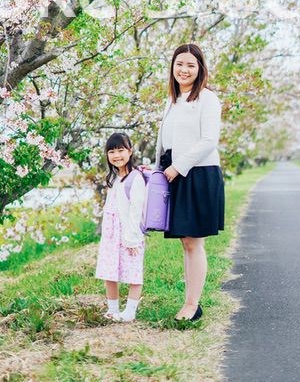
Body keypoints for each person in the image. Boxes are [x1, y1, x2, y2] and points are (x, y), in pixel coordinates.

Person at [154, 42, 225, 322]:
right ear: (172, 67)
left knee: (194, 243)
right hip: (175, 171)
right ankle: (190, 302)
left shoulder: (207, 99)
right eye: (179, 64)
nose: (184, 70)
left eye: (190, 65)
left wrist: (177, 168)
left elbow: (209, 141)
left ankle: (192, 305)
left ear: (200, 69)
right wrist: (159, 166)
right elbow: (168, 141)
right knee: (186, 242)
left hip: (198, 173)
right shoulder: (172, 100)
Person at [95, 132, 146, 322]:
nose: (116, 155)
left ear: (130, 151)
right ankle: (113, 310)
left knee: (133, 272)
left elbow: (136, 212)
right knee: (110, 272)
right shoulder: (115, 178)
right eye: (111, 151)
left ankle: (130, 311)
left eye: (121, 150)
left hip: (128, 234)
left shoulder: (136, 178)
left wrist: (132, 239)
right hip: (111, 234)